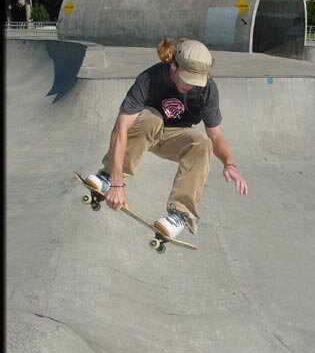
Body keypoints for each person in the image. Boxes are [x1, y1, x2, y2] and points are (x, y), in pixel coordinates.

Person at [85, 38, 248, 239]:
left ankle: (179, 214)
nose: (190, 86)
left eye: (196, 81)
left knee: (203, 144)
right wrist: (117, 183)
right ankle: (107, 177)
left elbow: (215, 134)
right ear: (173, 66)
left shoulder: (208, 89)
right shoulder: (149, 78)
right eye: (187, 79)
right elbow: (120, 129)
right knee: (151, 119)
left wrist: (229, 163)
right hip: (146, 130)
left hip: (175, 138)